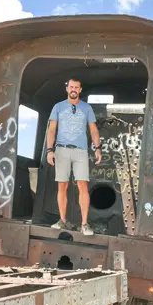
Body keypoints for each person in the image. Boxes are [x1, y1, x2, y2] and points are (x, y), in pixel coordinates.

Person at [45, 77, 102, 236]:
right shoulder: (58, 107)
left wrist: (97, 148)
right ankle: (62, 220)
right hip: (61, 150)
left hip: (81, 151)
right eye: (71, 86)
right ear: (67, 88)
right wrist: (50, 150)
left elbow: (93, 129)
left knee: (83, 185)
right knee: (62, 186)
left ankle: (84, 224)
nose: (73, 89)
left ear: (80, 90)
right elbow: (51, 130)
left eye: (76, 87)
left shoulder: (86, 108)